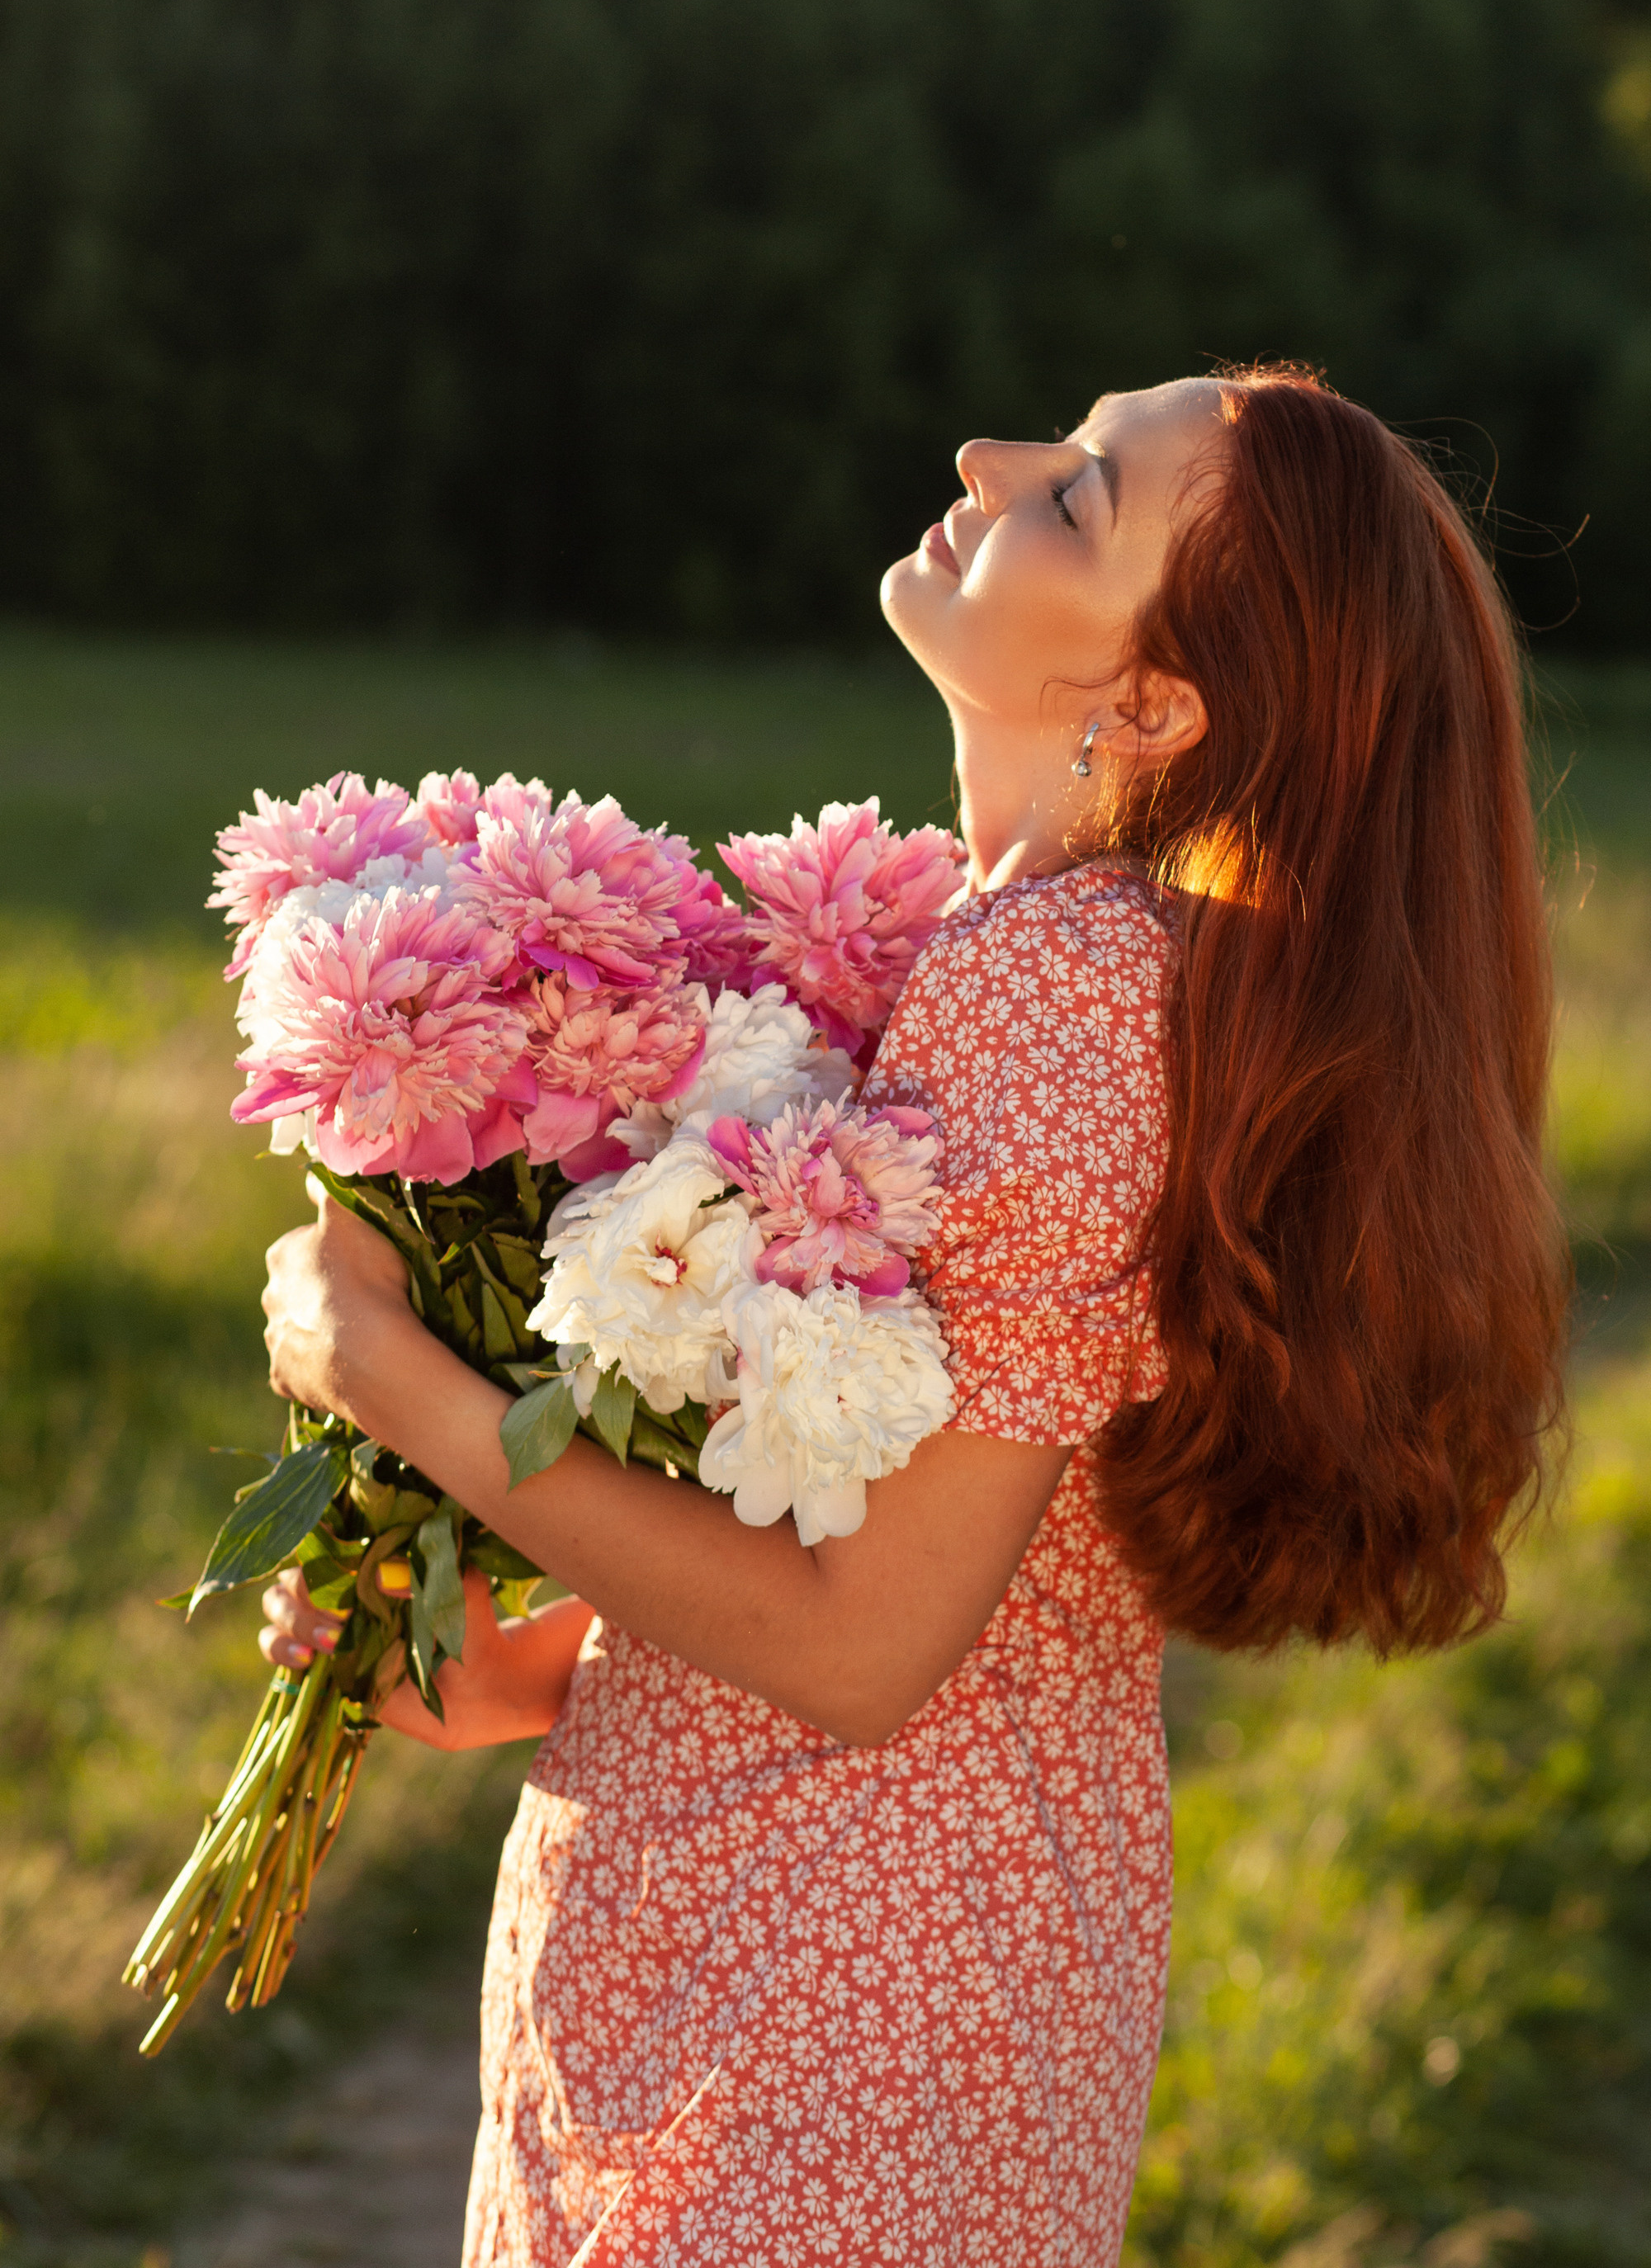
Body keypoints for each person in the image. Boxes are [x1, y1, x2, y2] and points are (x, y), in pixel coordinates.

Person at [258, 366, 1568, 2267]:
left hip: (825, 2009)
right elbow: (928, 1551)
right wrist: (499, 1663)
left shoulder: (1054, 993)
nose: (988, 462)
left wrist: (391, 1378)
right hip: (825, 1953)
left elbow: (870, 1647)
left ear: (1156, 704)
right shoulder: (1009, 958)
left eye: (1081, 498)